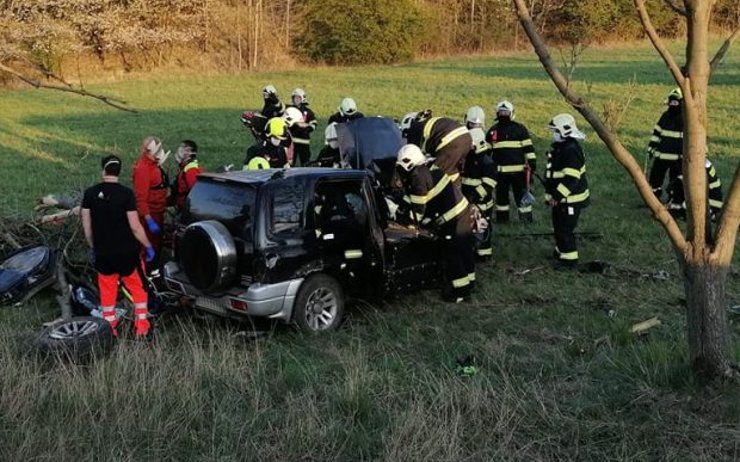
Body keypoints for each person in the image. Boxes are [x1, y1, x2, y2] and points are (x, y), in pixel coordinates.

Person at [81, 155, 155, 339]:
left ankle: (110, 330)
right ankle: (142, 329)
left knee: (107, 294)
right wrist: (148, 246)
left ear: (103, 170)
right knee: (139, 289)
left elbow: (87, 226)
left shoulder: (90, 194)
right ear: (119, 172)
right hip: (127, 253)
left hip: (103, 253)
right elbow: (135, 227)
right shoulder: (126, 194)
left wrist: (94, 246)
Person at [395, 144, 474, 303]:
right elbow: (413, 196)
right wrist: (400, 205)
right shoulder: (426, 168)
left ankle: (460, 292)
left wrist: (402, 217)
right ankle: (469, 283)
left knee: (453, 253)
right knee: (464, 249)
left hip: (454, 219)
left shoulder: (418, 176)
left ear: (409, 164)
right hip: (461, 213)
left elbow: (417, 212)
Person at [544, 114, 590, 269]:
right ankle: (561, 250)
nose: (553, 134)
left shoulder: (570, 150)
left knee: (564, 229)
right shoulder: (561, 147)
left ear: (565, 131)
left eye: (555, 131)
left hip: (570, 200)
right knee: (559, 226)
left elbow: (571, 179)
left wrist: (556, 196)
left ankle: (569, 261)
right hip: (562, 200)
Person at [486, 100, 536, 223]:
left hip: (519, 172)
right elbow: (486, 152)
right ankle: (502, 220)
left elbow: (528, 149)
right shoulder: (493, 131)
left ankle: (526, 220)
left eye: (505, 112)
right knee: (501, 198)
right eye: (501, 112)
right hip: (500, 173)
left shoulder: (520, 129)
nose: (503, 114)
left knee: (521, 196)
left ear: (512, 113)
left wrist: (532, 164)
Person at [399, 110, 471, 183]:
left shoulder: (414, 129)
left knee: (436, 174)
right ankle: (457, 191)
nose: (407, 137)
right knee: (451, 169)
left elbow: (415, 158)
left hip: (450, 143)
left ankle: (450, 192)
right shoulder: (429, 122)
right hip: (466, 138)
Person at [461, 128, 496, 259]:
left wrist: (474, 196)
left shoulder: (487, 162)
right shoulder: (468, 158)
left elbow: (489, 184)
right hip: (467, 200)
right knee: (470, 226)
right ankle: (473, 248)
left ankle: (484, 253)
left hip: (482, 203)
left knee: (482, 226)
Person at [647, 88, 684, 211]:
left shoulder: (685, 119)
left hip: (677, 159)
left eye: (676, 102)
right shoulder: (665, 116)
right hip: (661, 156)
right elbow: (657, 132)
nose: (673, 105)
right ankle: (653, 200)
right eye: (671, 102)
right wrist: (652, 147)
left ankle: (673, 202)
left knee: (676, 181)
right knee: (655, 179)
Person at [132, 136, 168, 258]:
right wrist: (149, 220)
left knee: (156, 246)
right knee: (147, 249)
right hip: (149, 215)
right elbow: (140, 198)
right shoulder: (143, 169)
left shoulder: (154, 165)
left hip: (158, 212)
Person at [287, 88, 318, 166]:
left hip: (304, 141)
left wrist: (308, 129)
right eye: (295, 98)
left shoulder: (308, 112)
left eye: (298, 98)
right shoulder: (289, 110)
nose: (296, 100)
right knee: (290, 162)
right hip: (292, 142)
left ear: (302, 98)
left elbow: (314, 123)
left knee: (305, 163)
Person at [172, 140, 203, 210]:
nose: (179, 152)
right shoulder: (185, 168)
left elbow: (195, 193)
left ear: (188, 153)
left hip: (187, 209)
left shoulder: (191, 170)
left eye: (182, 149)